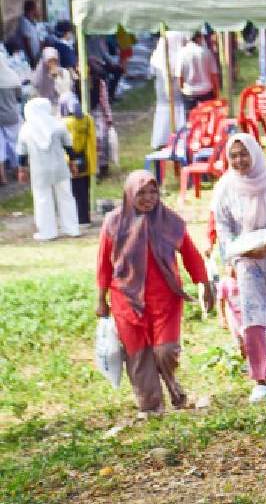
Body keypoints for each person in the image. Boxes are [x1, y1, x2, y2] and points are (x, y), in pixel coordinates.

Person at [96, 171, 213, 416]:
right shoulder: (114, 223)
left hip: (165, 300)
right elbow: (104, 265)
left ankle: (173, 386)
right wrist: (101, 299)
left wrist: (204, 283)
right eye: (141, 193)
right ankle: (151, 406)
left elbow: (191, 255)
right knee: (138, 357)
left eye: (153, 192)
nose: (148, 198)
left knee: (165, 351)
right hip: (126, 302)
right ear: (129, 195)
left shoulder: (170, 221)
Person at [211, 134, 266, 403]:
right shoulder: (225, 187)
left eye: (244, 154)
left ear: (255, 153)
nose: (239, 161)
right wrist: (235, 254)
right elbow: (223, 227)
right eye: (234, 156)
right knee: (253, 316)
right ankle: (260, 378)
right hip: (248, 260)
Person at [16, 98, 81, 241]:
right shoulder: (58, 125)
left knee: (42, 200)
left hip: (39, 171)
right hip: (60, 168)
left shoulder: (26, 130)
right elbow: (69, 146)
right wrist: (73, 163)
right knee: (66, 197)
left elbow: (21, 153)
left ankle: (47, 232)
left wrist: (22, 170)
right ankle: (72, 228)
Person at [61, 96, 97, 227]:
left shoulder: (64, 123)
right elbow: (92, 141)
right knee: (84, 191)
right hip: (86, 160)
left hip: (70, 162)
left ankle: (76, 219)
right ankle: (85, 218)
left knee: (73, 192)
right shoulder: (88, 119)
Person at [150, 31, 189, 149]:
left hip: (166, 94)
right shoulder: (175, 56)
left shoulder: (158, 56)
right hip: (171, 93)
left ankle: (168, 138)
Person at [176, 32, 220, 115]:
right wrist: (216, 92)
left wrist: (182, 88)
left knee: (190, 121)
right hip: (206, 91)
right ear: (200, 37)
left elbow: (180, 77)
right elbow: (214, 75)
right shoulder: (206, 52)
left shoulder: (181, 54)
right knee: (208, 118)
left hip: (189, 92)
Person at [0, 56, 21, 186]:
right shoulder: (12, 75)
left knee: (0, 149)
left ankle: (2, 178)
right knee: (14, 145)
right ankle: (18, 171)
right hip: (12, 116)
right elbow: (19, 95)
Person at [17, 0, 41, 65]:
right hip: (30, 59)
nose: (39, 10)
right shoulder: (24, 23)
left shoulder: (32, 21)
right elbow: (26, 42)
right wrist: (32, 59)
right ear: (32, 10)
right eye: (37, 8)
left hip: (35, 56)